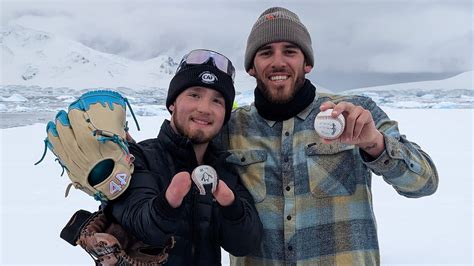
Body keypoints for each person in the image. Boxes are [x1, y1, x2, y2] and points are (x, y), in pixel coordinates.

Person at [219, 7, 439, 265]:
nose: (278, 61)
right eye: (266, 52)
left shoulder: (356, 113)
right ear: (251, 68)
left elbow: (425, 183)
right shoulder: (231, 128)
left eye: (290, 51)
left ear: (307, 63)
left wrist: (375, 144)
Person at [106, 49, 263, 265]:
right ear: (172, 103)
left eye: (217, 101)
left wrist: (232, 207)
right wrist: (166, 205)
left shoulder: (223, 169)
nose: (204, 108)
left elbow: (246, 243)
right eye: (194, 95)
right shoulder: (139, 158)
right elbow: (138, 220)